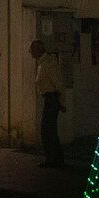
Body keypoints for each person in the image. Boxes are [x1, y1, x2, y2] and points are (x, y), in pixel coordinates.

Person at [29, 39, 65, 168]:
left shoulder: (47, 64)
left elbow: (58, 83)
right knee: (49, 130)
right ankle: (55, 158)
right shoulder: (44, 63)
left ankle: (53, 159)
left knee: (47, 130)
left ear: (38, 50)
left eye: (32, 49)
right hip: (50, 98)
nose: (30, 52)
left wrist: (62, 101)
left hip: (51, 98)